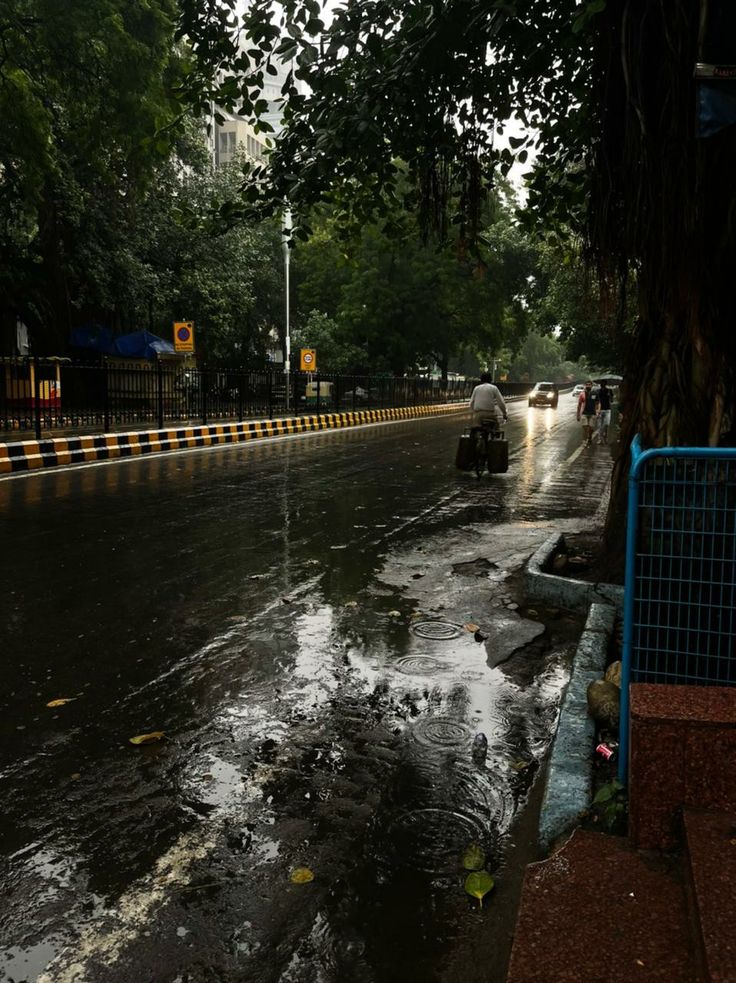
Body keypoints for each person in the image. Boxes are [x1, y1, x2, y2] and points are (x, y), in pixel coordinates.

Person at [577, 380, 597, 447]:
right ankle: (584, 441)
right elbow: (579, 404)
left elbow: (597, 403)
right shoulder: (582, 394)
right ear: (585, 385)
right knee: (585, 428)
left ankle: (590, 437)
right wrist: (578, 415)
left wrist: (597, 410)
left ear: (591, 385)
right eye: (587, 384)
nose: (588, 386)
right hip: (584, 413)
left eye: (589, 384)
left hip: (592, 413)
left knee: (591, 428)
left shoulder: (594, 393)